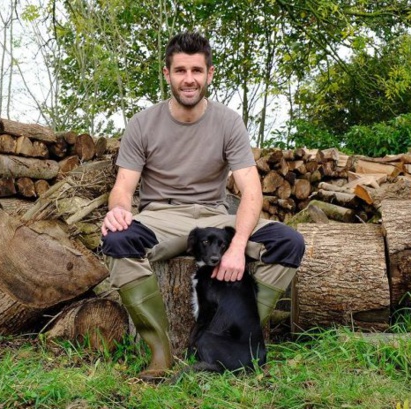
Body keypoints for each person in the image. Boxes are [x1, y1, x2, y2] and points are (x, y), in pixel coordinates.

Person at [101, 31, 305, 381]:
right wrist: (118, 209)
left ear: (210, 74)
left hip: (214, 217)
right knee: (117, 241)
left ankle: (233, 336)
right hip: (160, 218)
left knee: (289, 242)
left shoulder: (228, 122)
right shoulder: (142, 123)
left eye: (197, 70)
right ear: (167, 75)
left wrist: (238, 245)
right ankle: (160, 352)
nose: (189, 79)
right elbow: (123, 187)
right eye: (180, 70)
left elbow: (252, 192)